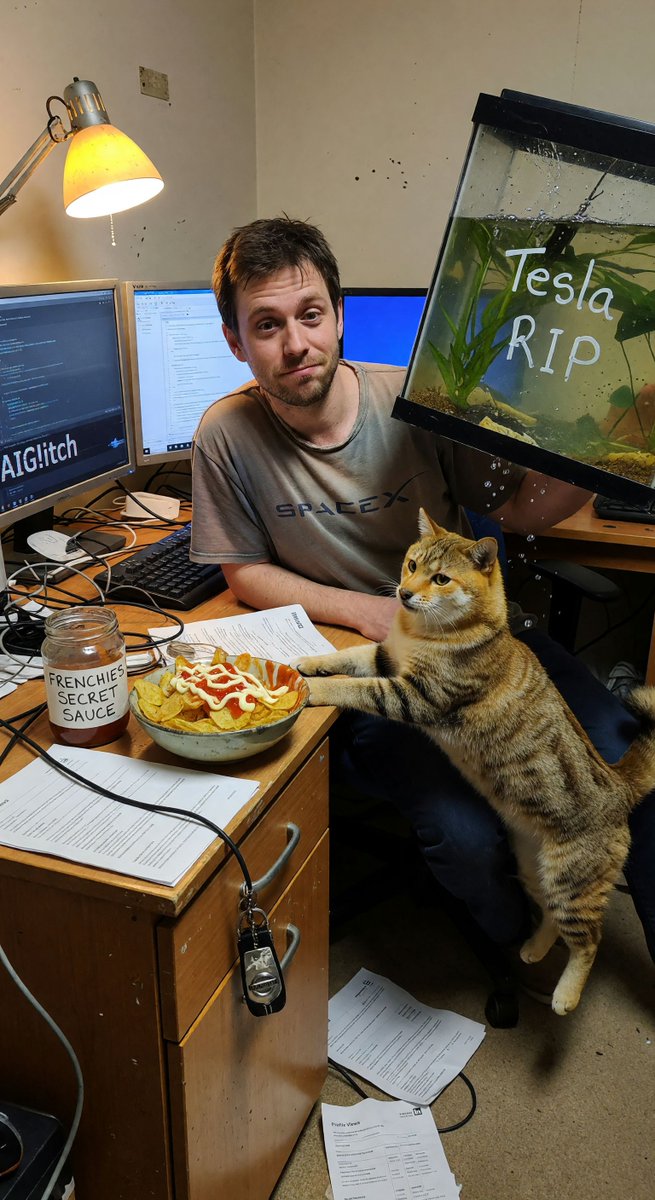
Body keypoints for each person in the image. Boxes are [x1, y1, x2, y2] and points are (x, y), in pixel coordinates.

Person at [190, 215, 655, 982]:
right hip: (387, 674)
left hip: (485, 651)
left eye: (309, 315)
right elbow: (242, 572)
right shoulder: (225, 435)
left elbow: (521, 513)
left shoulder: (412, 401)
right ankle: (512, 942)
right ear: (236, 341)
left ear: (339, 315)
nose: (295, 344)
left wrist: (601, 449)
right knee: (463, 835)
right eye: (265, 325)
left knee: (621, 757)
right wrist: (366, 612)